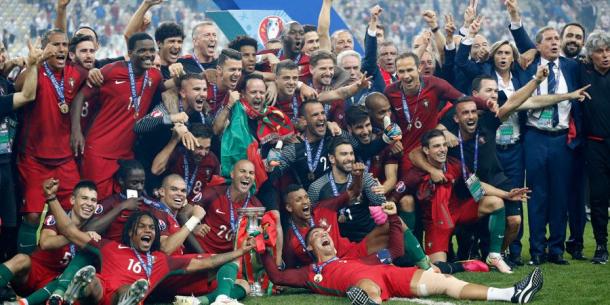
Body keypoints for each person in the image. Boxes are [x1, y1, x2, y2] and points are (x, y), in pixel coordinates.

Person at [263, 201, 544, 305]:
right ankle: (368, 303)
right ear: (310, 249)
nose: (322, 235)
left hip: (391, 275)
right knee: (364, 286)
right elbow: (276, 276)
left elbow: (396, 251)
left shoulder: (355, 256)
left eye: (324, 233)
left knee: (445, 283)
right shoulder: (310, 273)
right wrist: (264, 243)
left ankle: (510, 293)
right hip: (363, 285)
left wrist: (395, 218)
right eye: (315, 237)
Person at [42, 178, 255, 305]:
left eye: (151, 228)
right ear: (131, 233)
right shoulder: (110, 246)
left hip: (124, 294)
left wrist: (240, 252)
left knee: (127, 290)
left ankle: (123, 298)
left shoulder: (160, 260)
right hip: (99, 292)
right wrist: (51, 199)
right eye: (142, 227)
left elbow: (208, 261)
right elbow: (70, 231)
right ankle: (79, 287)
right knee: (94, 284)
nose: (148, 231)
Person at [506, 0, 585, 265]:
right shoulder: (528, 65)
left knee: (560, 195)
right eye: (548, 39)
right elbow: (521, 41)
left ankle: (556, 250)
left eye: (556, 39)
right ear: (537, 46)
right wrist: (515, 17)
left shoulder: (572, 67)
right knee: (537, 195)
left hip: (563, 139)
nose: (554, 42)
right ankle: (537, 250)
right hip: (535, 137)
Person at [16, 29, 88, 254]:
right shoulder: (37, 70)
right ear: (45, 48)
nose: (62, 49)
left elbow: (80, 91)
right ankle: (23, 267)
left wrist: (76, 127)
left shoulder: (74, 73)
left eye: (65, 45)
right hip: (34, 157)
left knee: (76, 209)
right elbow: (18, 88)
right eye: (56, 45)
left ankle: (64, 262)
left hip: (64, 158)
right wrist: (32, 65)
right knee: (32, 215)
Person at [70, 33, 165, 201]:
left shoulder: (155, 76)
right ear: (130, 52)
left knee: (127, 201)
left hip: (126, 154)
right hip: (99, 151)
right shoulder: (112, 71)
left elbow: (170, 90)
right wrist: (76, 131)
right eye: (142, 50)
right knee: (97, 202)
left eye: (152, 50)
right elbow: (79, 98)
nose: (148, 54)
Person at [0, 181, 100, 305]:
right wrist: (76, 235)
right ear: (73, 200)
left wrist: (86, 237)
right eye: (84, 198)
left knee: (67, 286)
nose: (89, 204)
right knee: (21, 259)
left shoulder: (93, 229)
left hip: (55, 280)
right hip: (34, 270)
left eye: (93, 200)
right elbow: (46, 243)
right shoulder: (57, 217)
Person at [579, 31, 610, 264]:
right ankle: (601, 246)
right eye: (600, 51)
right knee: (598, 198)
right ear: (590, 55)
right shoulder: (582, 73)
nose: (606, 55)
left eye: (608, 50)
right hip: (595, 146)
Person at [152, 124, 220, 203]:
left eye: (207, 148)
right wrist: (174, 140)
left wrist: (200, 203)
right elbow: (155, 169)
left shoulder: (212, 160)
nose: (203, 153)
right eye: (199, 147)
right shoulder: (178, 153)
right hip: (170, 202)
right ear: (188, 143)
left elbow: (215, 189)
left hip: (193, 207)